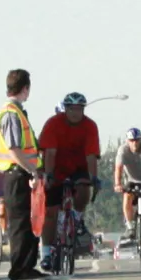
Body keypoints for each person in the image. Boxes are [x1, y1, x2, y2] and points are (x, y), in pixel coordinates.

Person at [0, 70, 47, 280]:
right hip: (17, 173)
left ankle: (28, 266)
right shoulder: (11, 113)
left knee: (29, 220)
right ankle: (20, 269)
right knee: (20, 222)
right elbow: (14, 148)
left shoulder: (15, 111)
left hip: (22, 172)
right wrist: (32, 169)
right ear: (25, 88)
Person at [40, 93, 105, 259]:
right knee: (51, 211)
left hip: (78, 168)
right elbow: (50, 153)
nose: (75, 113)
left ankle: (76, 217)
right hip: (56, 168)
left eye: (79, 109)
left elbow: (91, 155)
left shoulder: (90, 126)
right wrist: (48, 176)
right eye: (71, 109)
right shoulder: (53, 123)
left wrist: (94, 178)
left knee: (84, 187)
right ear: (65, 110)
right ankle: (46, 252)